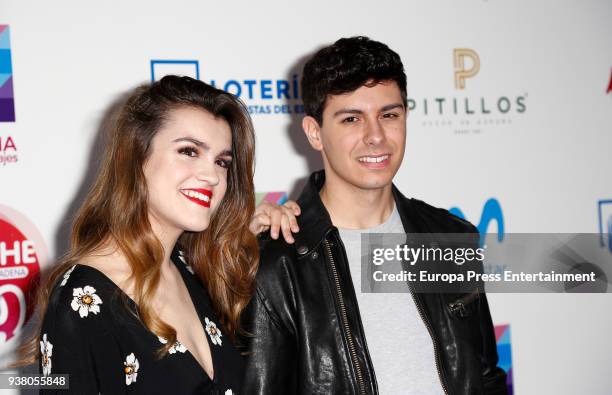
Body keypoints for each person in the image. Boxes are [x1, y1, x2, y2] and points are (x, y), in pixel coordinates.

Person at [241, 37, 508, 394]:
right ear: (315, 133)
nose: (376, 136)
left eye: (389, 115)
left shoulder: (448, 235)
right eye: (352, 119)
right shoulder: (278, 263)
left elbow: (485, 377)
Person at [16, 75, 297, 394]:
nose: (213, 176)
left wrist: (249, 239)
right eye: (189, 151)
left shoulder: (189, 270)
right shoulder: (83, 297)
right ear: (136, 156)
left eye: (221, 161)